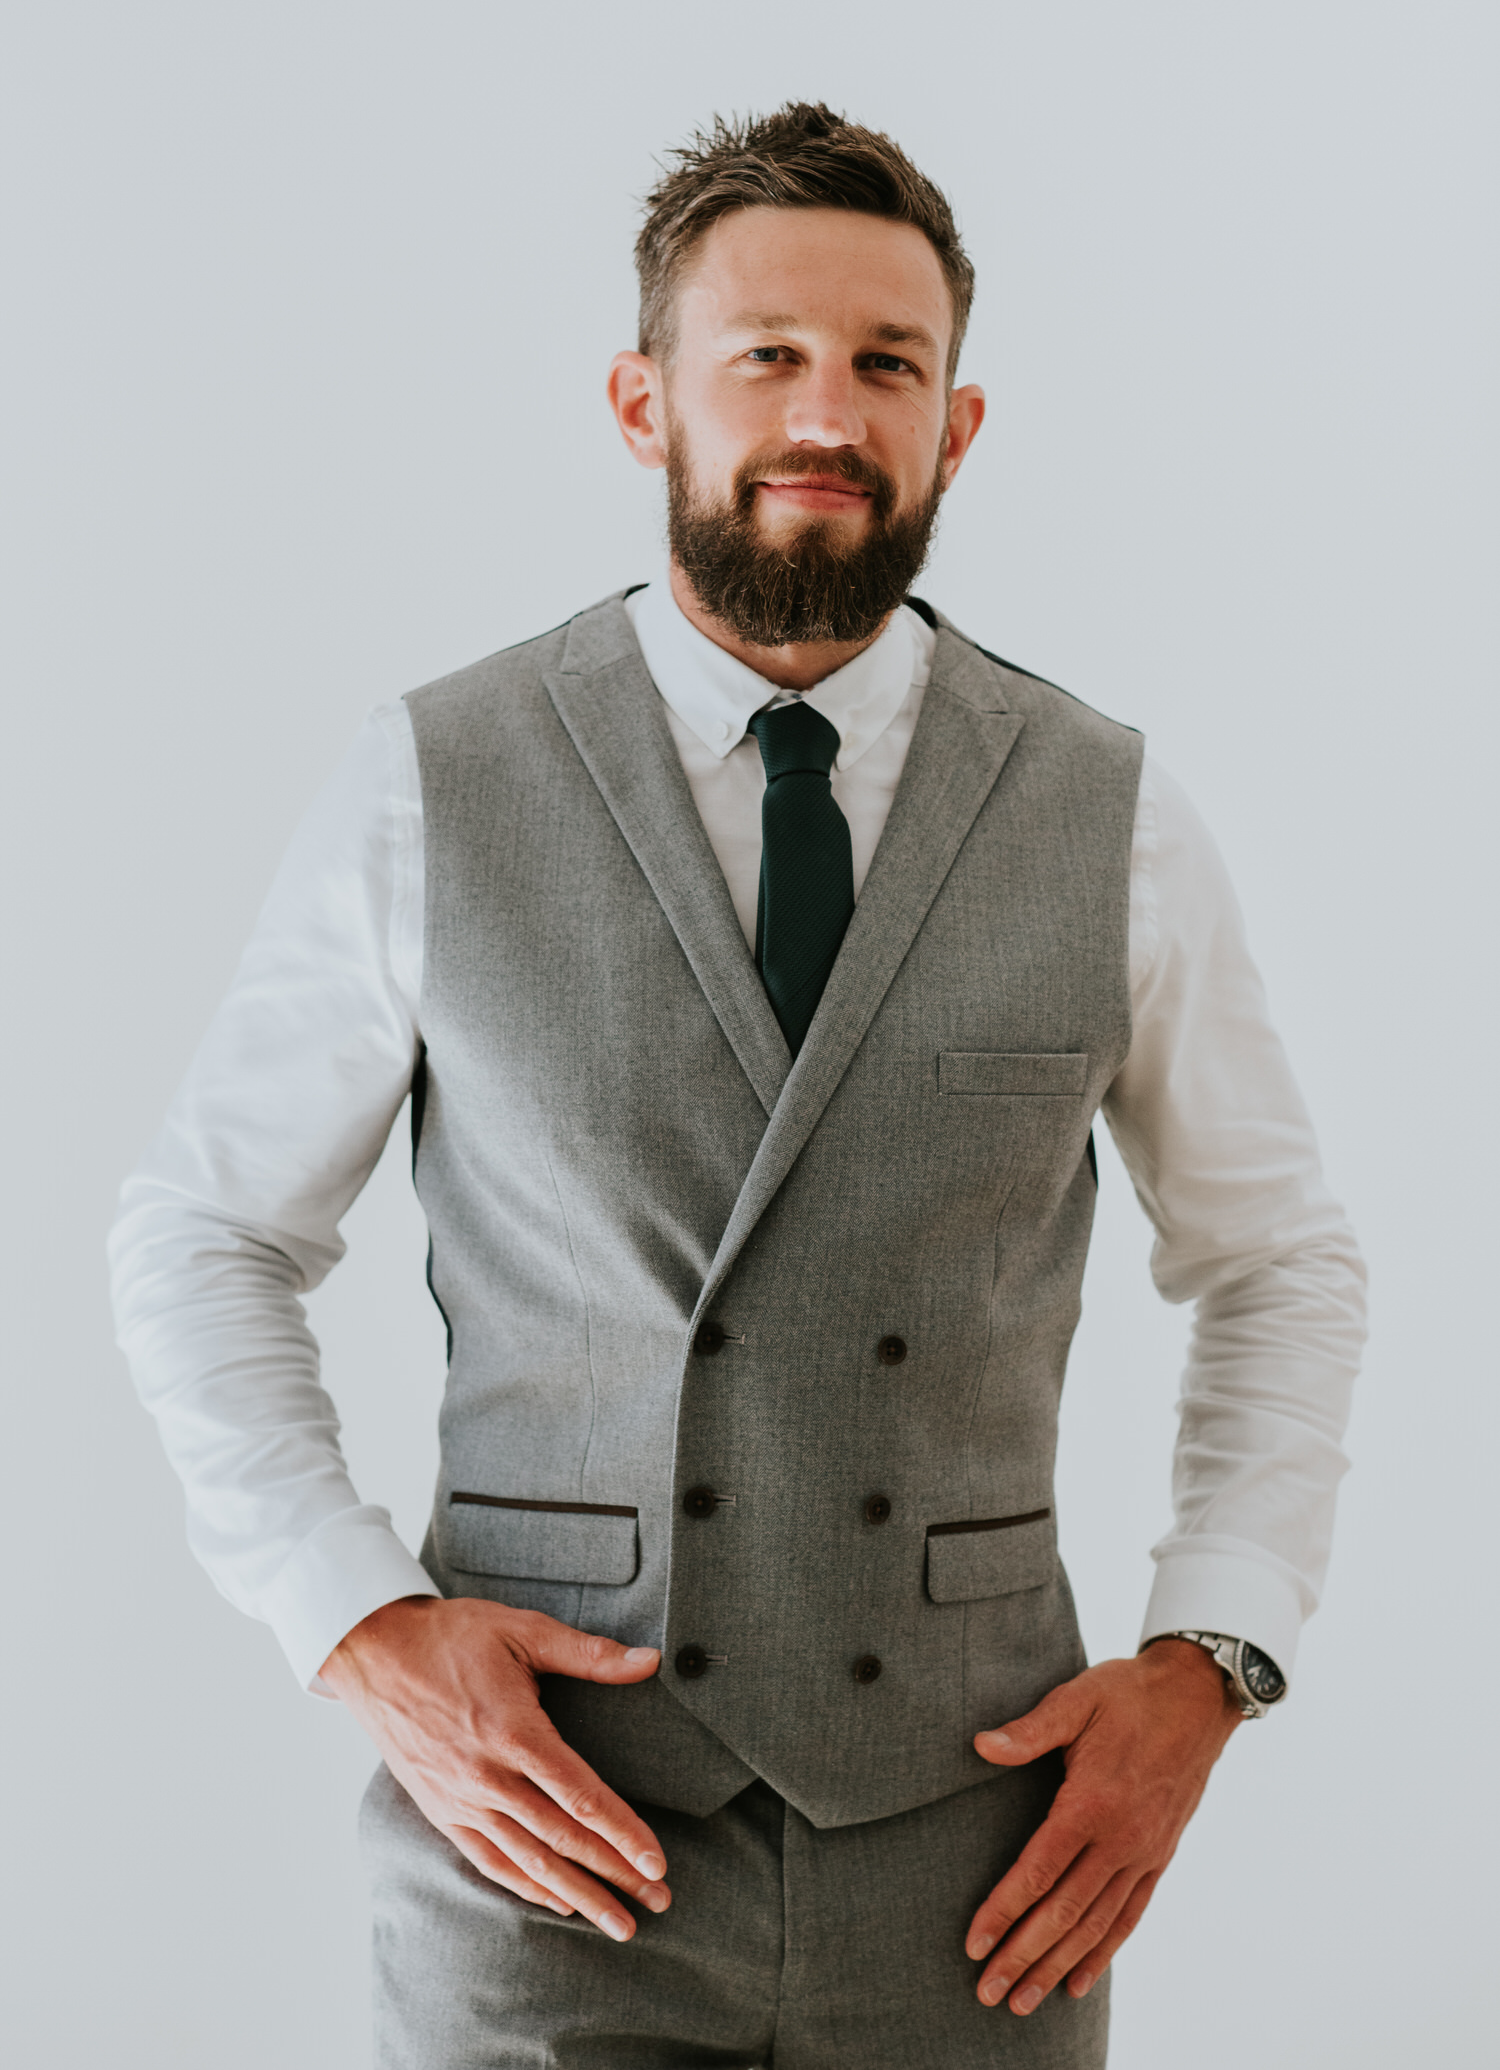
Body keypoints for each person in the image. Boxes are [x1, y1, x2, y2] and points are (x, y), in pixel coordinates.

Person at [110, 102, 1366, 2068]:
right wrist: (352, 1622)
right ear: (645, 403)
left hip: (986, 1864)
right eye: (766, 354)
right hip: (541, 1846)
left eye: (888, 364)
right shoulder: (429, 782)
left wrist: (1215, 1652)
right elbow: (203, 1232)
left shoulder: (1111, 813)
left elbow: (1279, 1256)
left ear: (958, 426)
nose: (825, 415)